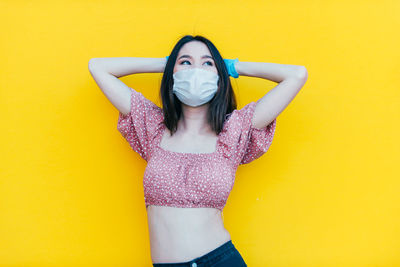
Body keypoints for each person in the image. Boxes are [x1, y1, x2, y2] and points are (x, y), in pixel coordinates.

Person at [88, 35, 308, 267]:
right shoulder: (153, 128)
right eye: (185, 62)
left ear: (219, 77)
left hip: (219, 260)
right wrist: (165, 64)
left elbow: (296, 75)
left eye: (207, 63)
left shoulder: (234, 132)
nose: (195, 71)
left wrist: (231, 67)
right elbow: (98, 67)